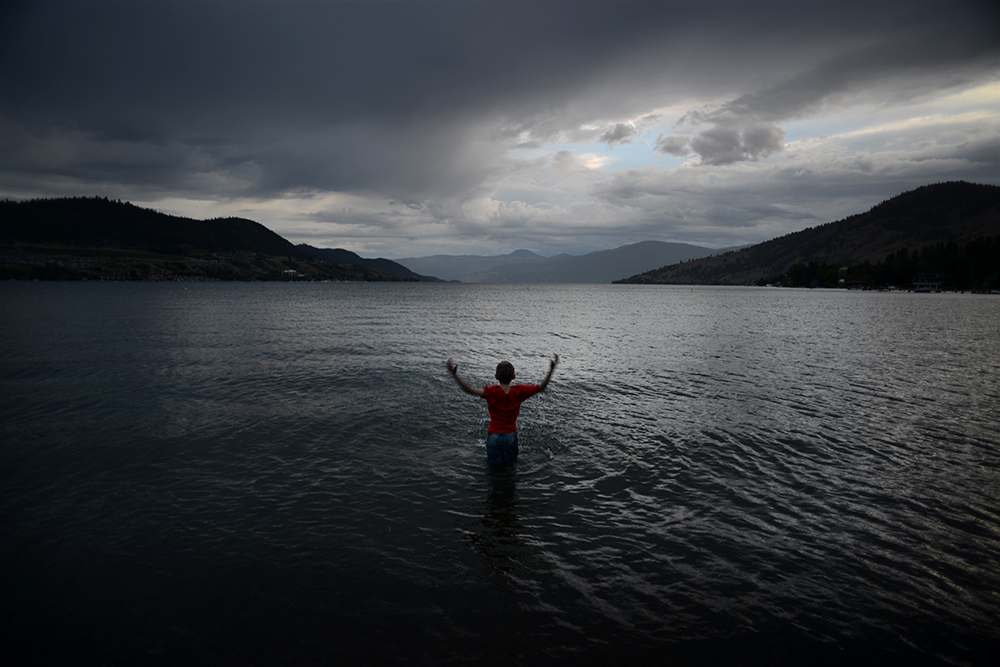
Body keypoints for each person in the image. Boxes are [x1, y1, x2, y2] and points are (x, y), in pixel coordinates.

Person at [446, 355, 559, 465]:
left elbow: (469, 390)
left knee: (493, 468)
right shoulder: (519, 392)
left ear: (496, 376)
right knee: (511, 467)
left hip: (493, 436)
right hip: (510, 435)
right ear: (513, 377)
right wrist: (551, 369)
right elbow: (541, 387)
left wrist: (455, 376)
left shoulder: (491, 392)